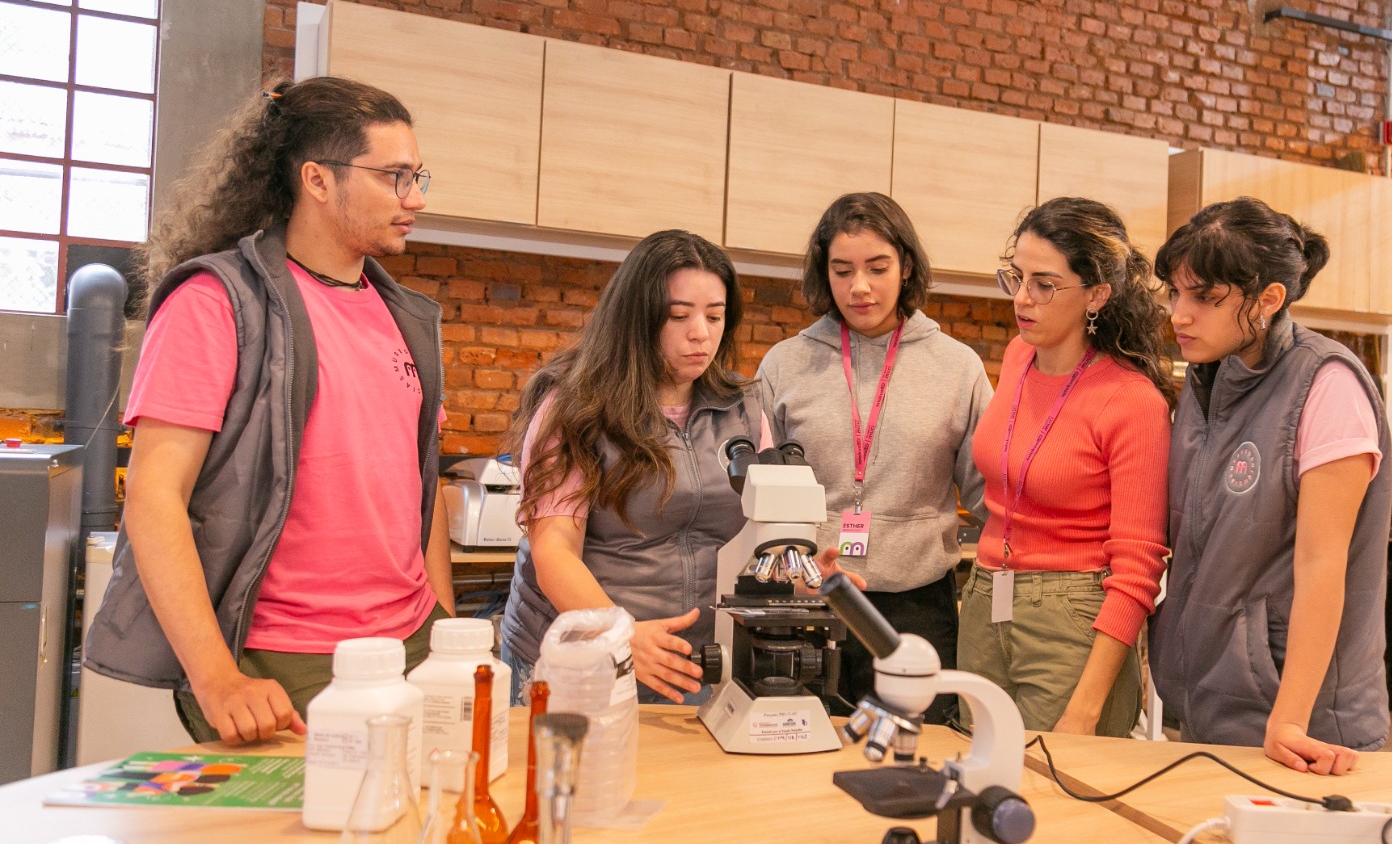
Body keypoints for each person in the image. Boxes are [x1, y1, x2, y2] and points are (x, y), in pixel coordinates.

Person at [84, 77, 454, 745]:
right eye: (394, 176)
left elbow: (419, 486)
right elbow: (153, 497)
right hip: (284, 663)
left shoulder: (405, 317)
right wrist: (217, 678)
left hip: (414, 645)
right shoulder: (214, 303)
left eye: (417, 175)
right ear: (317, 178)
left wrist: (445, 622)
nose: (415, 198)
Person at [500, 229, 862, 706]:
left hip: (692, 662)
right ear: (637, 318)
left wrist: (799, 573)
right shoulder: (574, 405)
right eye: (679, 316)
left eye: (715, 316)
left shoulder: (745, 408)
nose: (701, 333)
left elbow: (754, 540)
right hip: (583, 662)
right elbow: (554, 553)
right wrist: (619, 635)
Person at [1150, 197, 1391, 776]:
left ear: (1268, 300)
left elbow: (1321, 567)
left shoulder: (1326, 385)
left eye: (1204, 298)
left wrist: (1289, 720)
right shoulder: (1206, 388)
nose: (1180, 315)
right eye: (1175, 294)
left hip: (1305, 732)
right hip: (1212, 712)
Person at [757, 192, 991, 723]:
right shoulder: (785, 365)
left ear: (906, 266)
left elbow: (986, 490)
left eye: (877, 268)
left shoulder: (957, 366)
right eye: (842, 271)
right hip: (809, 599)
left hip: (917, 608)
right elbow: (757, 501)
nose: (859, 287)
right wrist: (794, 566)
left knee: (915, 759)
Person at [957, 198, 1175, 736]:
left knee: (1055, 798)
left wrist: (1086, 709)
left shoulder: (1131, 400)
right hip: (985, 601)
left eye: (1045, 284)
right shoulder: (1016, 357)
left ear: (1097, 293)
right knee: (979, 782)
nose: (1023, 299)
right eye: (1018, 277)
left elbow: (1138, 569)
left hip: (1073, 618)